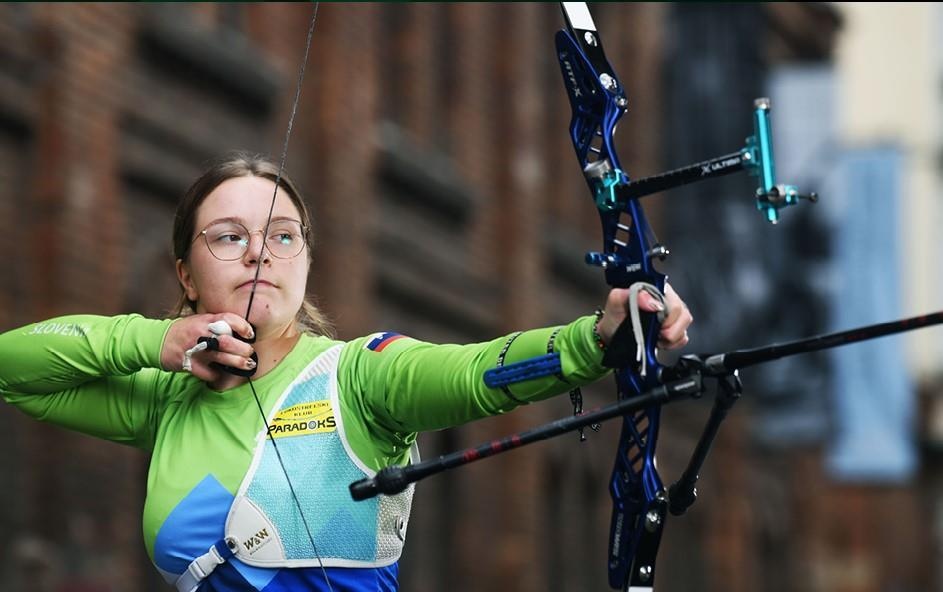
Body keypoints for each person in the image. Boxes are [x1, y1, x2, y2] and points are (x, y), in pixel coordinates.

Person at [0, 153, 693, 592]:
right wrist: (158, 342)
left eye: (282, 236)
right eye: (228, 237)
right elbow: (13, 370)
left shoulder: (359, 379)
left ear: (305, 260)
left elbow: (477, 369)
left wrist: (598, 336)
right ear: (185, 271)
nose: (258, 255)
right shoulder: (166, 401)